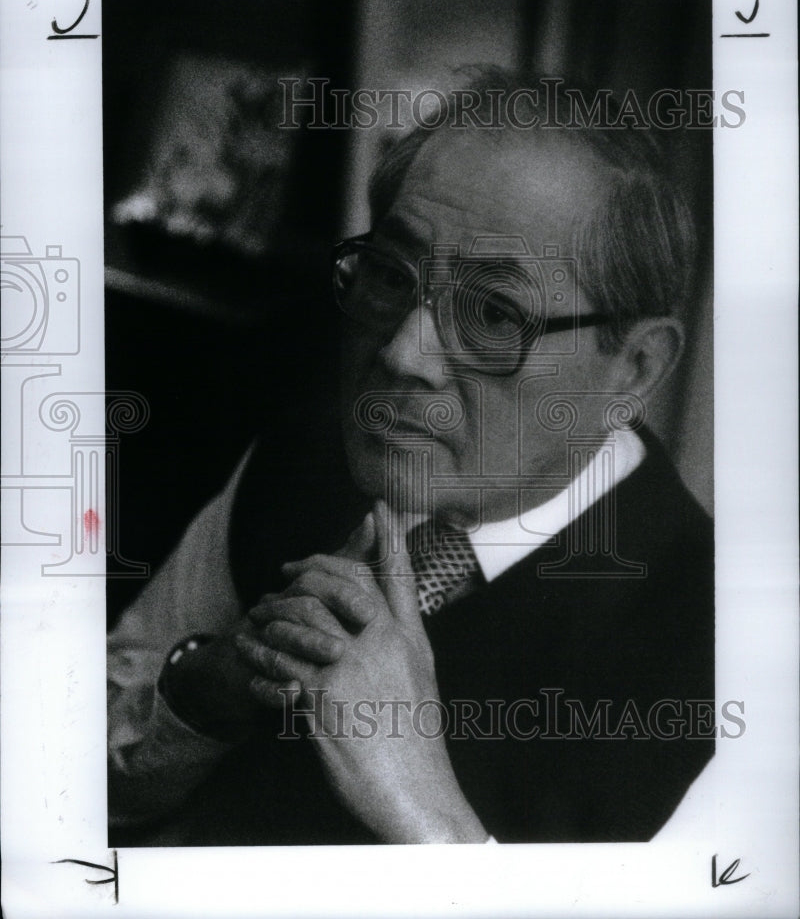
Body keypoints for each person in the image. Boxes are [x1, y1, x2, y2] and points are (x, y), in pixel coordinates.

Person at [107, 69, 714, 846]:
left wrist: (429, 817)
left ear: (632, 368)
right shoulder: (310, 448)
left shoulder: (725, 645)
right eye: (391, 277)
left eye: (495, 312)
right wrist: (203, 692)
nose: (402, 353)